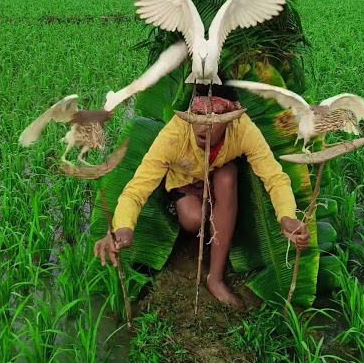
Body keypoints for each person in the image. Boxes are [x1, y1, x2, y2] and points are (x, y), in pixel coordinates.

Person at [93, 83, 310, 307]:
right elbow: (136, 189)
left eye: (213, 120)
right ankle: (186, 210)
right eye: (197, 116)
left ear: (229, 119)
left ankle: (215, 278)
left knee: (226, 177)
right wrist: (123, 228)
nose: (202, 127)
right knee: (193, 220)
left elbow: (274, 177)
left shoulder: (243, 129)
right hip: (184, 181)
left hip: (219, 177)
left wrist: (286, 216)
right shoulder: (174, 135)